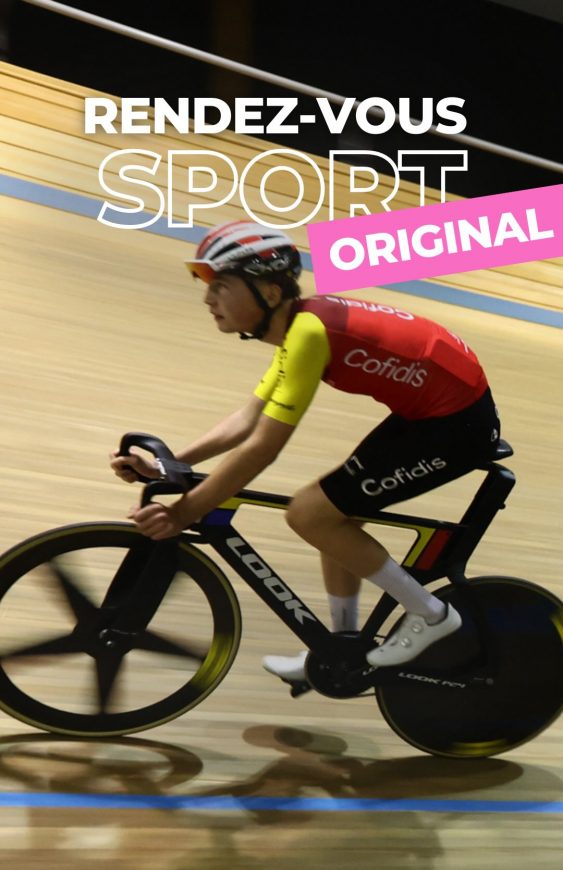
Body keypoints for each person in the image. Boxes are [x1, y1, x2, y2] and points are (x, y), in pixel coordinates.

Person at [110, 220, 502, 683]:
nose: (208, 299)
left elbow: (261, 451)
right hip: (431, 411)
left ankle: (434, 615)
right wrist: (169, 464)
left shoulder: (308, 335)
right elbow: (247, 419)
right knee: (333, 515)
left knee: (309, 512)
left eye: (222, 286)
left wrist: (184, 512)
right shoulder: (299, 326)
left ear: (270, 293)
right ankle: (341, 652)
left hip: (457, 424)